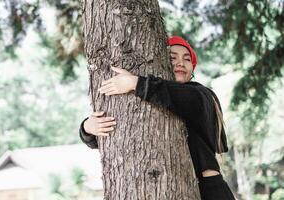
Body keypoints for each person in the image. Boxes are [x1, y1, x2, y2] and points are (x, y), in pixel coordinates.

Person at [79, 36, 235, 200]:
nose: (181, 62)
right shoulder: (162, 101)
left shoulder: (201, 95)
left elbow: (178, 96)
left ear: (193, 69)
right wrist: (87, 128)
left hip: (211, 191)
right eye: (172, 57)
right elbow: (123, 136)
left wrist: (135, 83)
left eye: (187, 59)